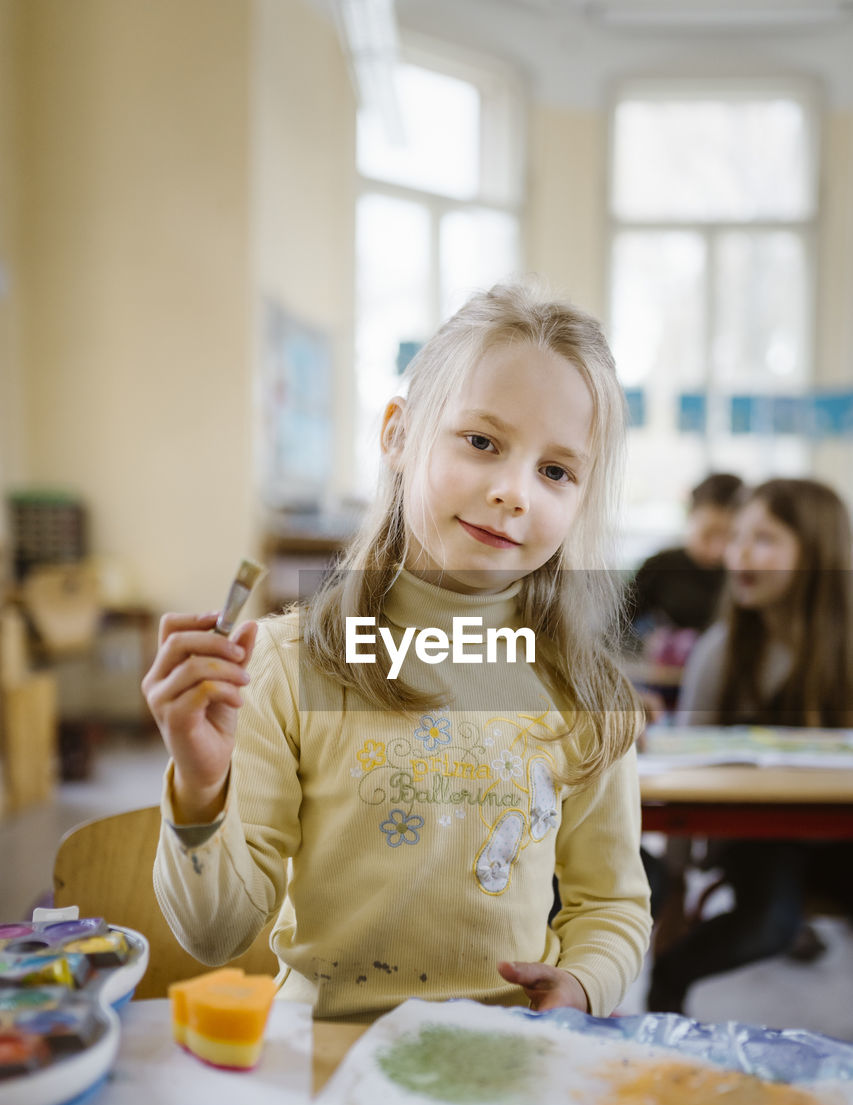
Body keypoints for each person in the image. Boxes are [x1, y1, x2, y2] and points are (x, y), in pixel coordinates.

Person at [142, 280, 652, 1022]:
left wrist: (582, 984)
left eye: (555, 471)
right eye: (481, 442)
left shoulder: (585, 688)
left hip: (504, 1056)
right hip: (323, 1055)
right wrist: (198, 782)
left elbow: (611, 904)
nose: (514, 491)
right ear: (398, 436)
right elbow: (216, 936)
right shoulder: (287, 665)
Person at [647, 477, 853, 1014]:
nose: (738, 552)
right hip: (763, 841)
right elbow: (683, 773)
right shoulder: (721, 651)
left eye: (762, 538)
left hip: (842, 838)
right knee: (767, 924)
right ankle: (668, 988)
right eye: (736, 536)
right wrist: (672, 886)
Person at [628, 471, 744, 643]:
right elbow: (616, 631)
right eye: (708, 534)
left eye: (730, 536)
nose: (717, 550)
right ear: (690, 516)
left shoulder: (744, 573)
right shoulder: (660, 566)